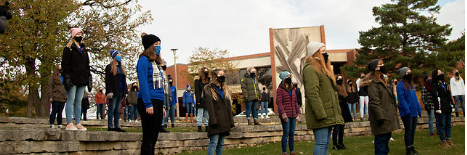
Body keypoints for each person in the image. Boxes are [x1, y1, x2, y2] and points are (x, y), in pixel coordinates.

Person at [302, 42, 344, 155]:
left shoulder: (323, 69)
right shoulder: (310, 69)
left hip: (328, 112)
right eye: (323, 51)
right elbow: (312, 93)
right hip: (321, 114)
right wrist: (320, 113)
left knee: (325, 143)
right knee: (321, 143)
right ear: (315, 53)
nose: (326, 54)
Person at [360, 59, 399, 155]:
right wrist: (380, 117)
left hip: (387, 116)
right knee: (381, 143)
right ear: (376, 68)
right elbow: (374, 102)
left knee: (385, 143)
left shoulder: (382, 80)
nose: (383, 65)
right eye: (380, 64)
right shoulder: (373, 83)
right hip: (381, 117)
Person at [137, 33, 167, 155]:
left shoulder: (156, 63)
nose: (158, 47)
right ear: (150, 46)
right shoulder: (143, 61)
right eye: (156, 44)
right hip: (149, 101)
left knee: (154, 137)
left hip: (158, 100)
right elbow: (143, 83)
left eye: (159, 44)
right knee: (148, 137)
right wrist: (148, 103)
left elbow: (161, 86)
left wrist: (163, 105)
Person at [61, 28, 91, 131]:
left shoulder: (84, 50)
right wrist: (67, 77)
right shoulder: (68, 49)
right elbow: (64, 64)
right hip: (72, 78)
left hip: (82, 79)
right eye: (78, 34)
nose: (80, 36)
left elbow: (87, 65)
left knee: (79, 101)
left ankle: (78, 122)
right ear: (74, 35)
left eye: (81, 34)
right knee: (70, 100)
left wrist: (88, 78)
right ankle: (69, 122)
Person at [205, 69, 235, 155]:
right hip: (216, 121)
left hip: (224, 121)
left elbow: (228, 107)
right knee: (213, 143)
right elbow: (210, 107)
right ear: (215, 77)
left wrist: (231, 121)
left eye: (223, 74)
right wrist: (213, 121)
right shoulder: (209, 89)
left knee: (220, 144)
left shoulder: (225, 90)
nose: (222, 76)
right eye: (220, 74)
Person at [397, 67, 422, 154]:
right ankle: (408, 148)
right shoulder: (400, 85)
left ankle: (412, 146)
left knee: (413, 131)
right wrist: (407, 110)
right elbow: (402, 99)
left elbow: (415, 98)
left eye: (410, 72)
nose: (409, 74)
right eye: (407, 72)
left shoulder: (412, 85)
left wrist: (419, 108)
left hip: (414, 111)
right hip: (407, 113)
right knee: (408, 130)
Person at [276, 71, 301, 155]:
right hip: (285, 114)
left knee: (292, 134)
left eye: (290, 76)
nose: (289, 78)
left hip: (293, 114)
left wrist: (298, 113)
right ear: (283, 78)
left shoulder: (293, 89)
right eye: (287, 77)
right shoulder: (280, 89)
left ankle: (292, 151)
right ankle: (284, 152)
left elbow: (295, 102)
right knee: (286, 133)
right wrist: (283, 113)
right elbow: (279, 103)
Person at [105, 50, 128, 132]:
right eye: (118, 55)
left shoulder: (121, 68)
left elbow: (124, 81)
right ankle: (110, 125)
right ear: (114, 57)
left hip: (121, 91)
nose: (119, 56)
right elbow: (107, 80)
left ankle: (116, 124)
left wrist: (125, 92)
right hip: (114, 91)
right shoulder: (109, 67)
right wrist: (109, 91)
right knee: (112, 108)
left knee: (118, 108)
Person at [432, 69, 454, 146]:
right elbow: (435, 97)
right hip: (441, 107)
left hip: (447, 106)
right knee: (442, 124)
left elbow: (449, 95)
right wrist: (438, 108)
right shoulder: (435, 85)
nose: (441, 74)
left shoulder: (445, 84)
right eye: (439, 73)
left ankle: (448, 138)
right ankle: (443, 140)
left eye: (441, 72)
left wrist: (452, 104)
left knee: (448, 124)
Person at [333, 75, 353, 150]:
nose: (340, 80)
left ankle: (340, 142)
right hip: (339, 106)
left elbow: (345, 95)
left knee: (342, 126)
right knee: (337, 126)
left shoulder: (343, 87)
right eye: (339, 79)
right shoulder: (335, 88)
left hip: (344, 106)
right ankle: (335, 143)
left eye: (341, 79)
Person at [48, 64, 67, 128]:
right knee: (54, 110)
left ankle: (59, 124)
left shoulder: (64, 77)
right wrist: (50, 96)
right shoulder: (52, 77)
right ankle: (51, 123)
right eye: (59, 68)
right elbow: (50, 86)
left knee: (60, 111)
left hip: (63, 96)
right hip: (55, 95)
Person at [195, 67, 210, 132]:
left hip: (207, 99)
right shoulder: (198, 80)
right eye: (205, 71)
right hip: (201, 100)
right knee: (200, 114)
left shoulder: (209, 80)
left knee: (207, 114)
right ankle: (199, 126)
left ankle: (207, 126)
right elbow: (197, 91)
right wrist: (198, 100)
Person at [160, 61, 171, 132]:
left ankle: (164, 123)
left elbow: (168, 86)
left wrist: (170, 95)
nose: (165, 65)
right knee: (162, 108)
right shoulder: (159, 72)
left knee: (166, 109)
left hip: (166, 93)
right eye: (163, 64)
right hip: (161, 92)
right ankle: (160, 124)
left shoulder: (166, 75)